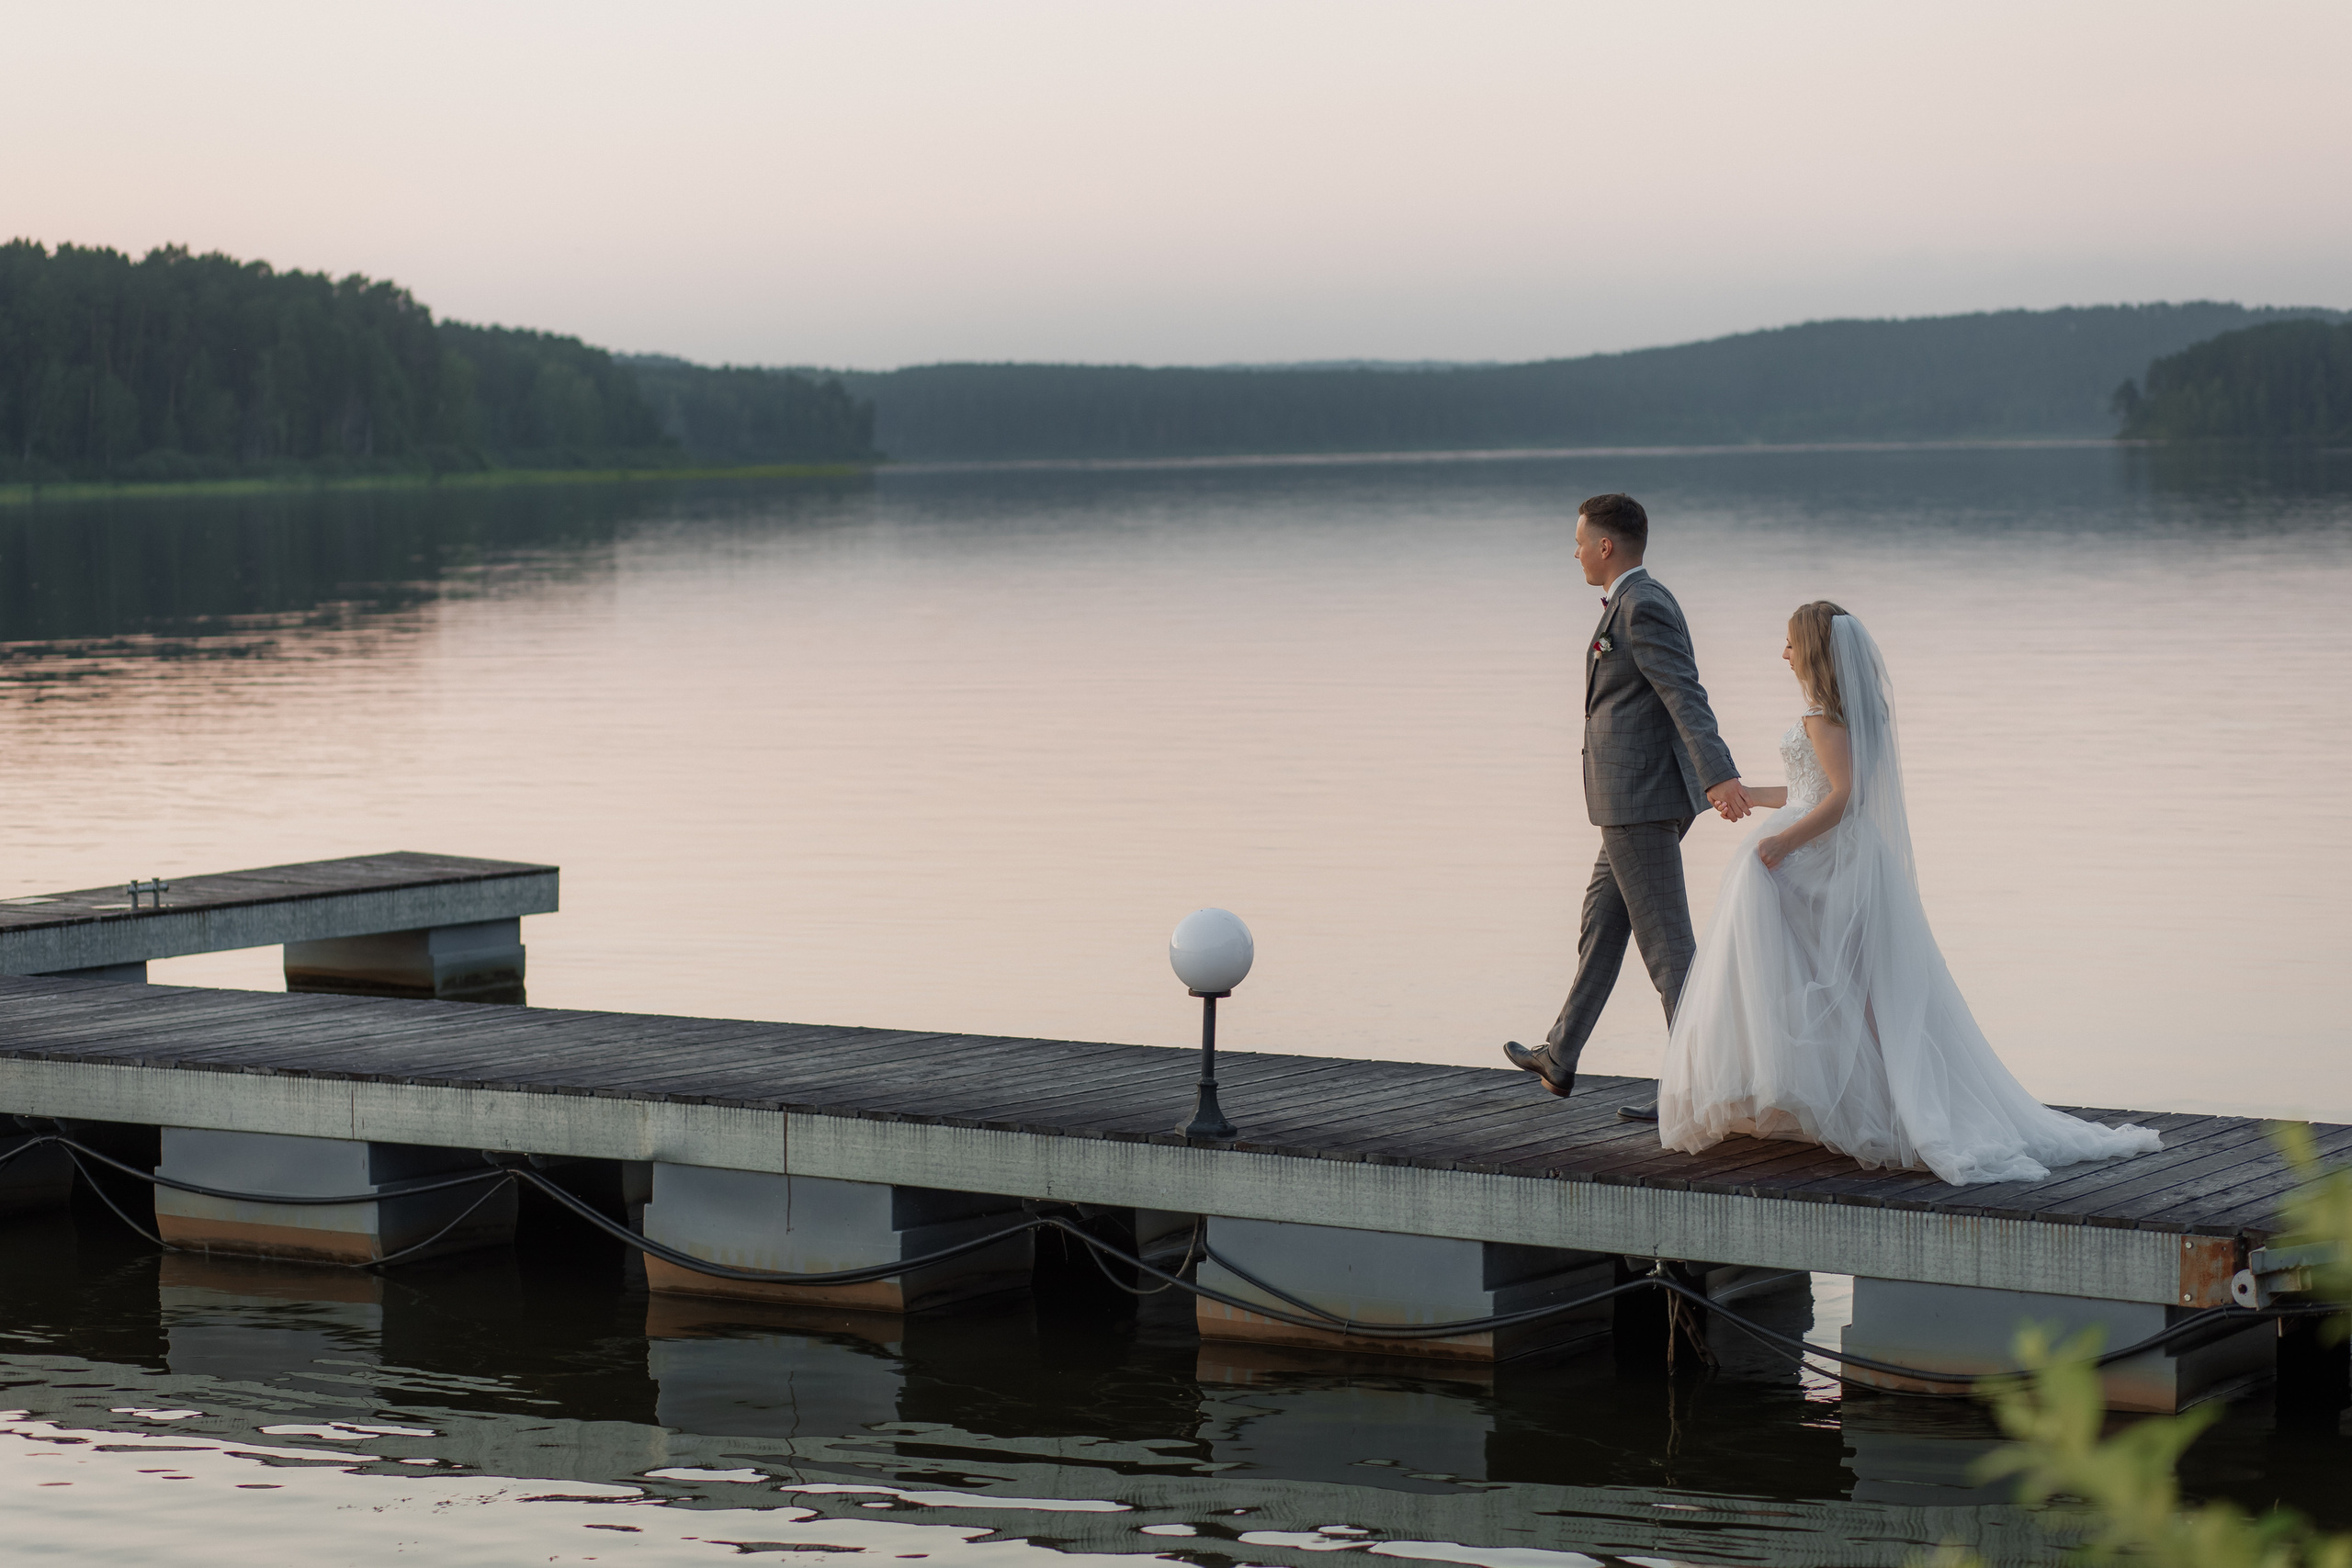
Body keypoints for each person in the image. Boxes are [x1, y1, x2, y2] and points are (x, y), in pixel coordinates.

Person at [1657, 602, 2161, 1185]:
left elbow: (1843, 797)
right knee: (1839, 979)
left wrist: (1781, 845)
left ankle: (1828, 1093)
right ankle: (1812, 1092)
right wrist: (1746, 795)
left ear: (1813, 651)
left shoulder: (1823, 717)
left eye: (1791, 642)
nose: (1784, 652)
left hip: (1822, 858)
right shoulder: (1838, 715)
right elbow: (1807, 789)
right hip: (1831, 853)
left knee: (1818, 971)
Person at [1503, 493, 1751, 1120]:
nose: (1576, 550)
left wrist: (1719, 774)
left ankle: (1703, 1096)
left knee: (1669, 951)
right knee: (1602, 925)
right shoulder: (1635, 601)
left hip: (1639, 800)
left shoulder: (1643, 606)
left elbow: (1685, 695)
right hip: (1626, 800)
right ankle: (1560, 1056)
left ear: (1606, 545)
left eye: (1581, 540)